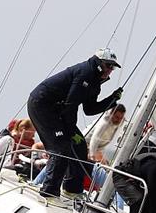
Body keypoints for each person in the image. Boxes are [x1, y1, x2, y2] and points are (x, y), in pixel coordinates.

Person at [28, 48, 124, 199]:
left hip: (57, 111)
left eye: (112, 67)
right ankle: (48, 192)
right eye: (108, 66)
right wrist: (71, 132)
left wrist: (112, 99)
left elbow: (89, 109)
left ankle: (72, 190)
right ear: (98, 63)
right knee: (61, 148)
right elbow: (70, 105)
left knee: (79, 148)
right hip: (42, 105)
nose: (110, 70)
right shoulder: (85, 73)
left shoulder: (95, 82)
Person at [87, 104, 126, 190]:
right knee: (98, 166)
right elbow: (94, 140)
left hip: (98, 148)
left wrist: (102, 158)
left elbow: (105, 141)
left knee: (106, 164)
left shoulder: (117, 123)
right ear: (111, 114)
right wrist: (92, 156)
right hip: (85, 145)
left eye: (120, 118)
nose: (118, 120)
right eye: (116, 117)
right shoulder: (104, 123)